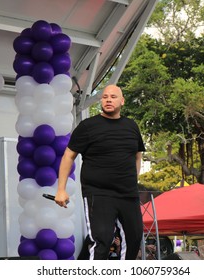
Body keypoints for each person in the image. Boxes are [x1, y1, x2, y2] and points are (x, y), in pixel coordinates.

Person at [54, 84, 145, 260]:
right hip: (99, 193)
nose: (108, 100)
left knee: (134, 239)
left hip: (128, 194)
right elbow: (68, 156)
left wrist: (133, 180)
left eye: (113, 96)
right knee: (102, 240)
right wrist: (61, 189)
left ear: (122, 101)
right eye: (105, 97)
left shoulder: (132, 126)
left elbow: (137, 156)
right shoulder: (88, 126)